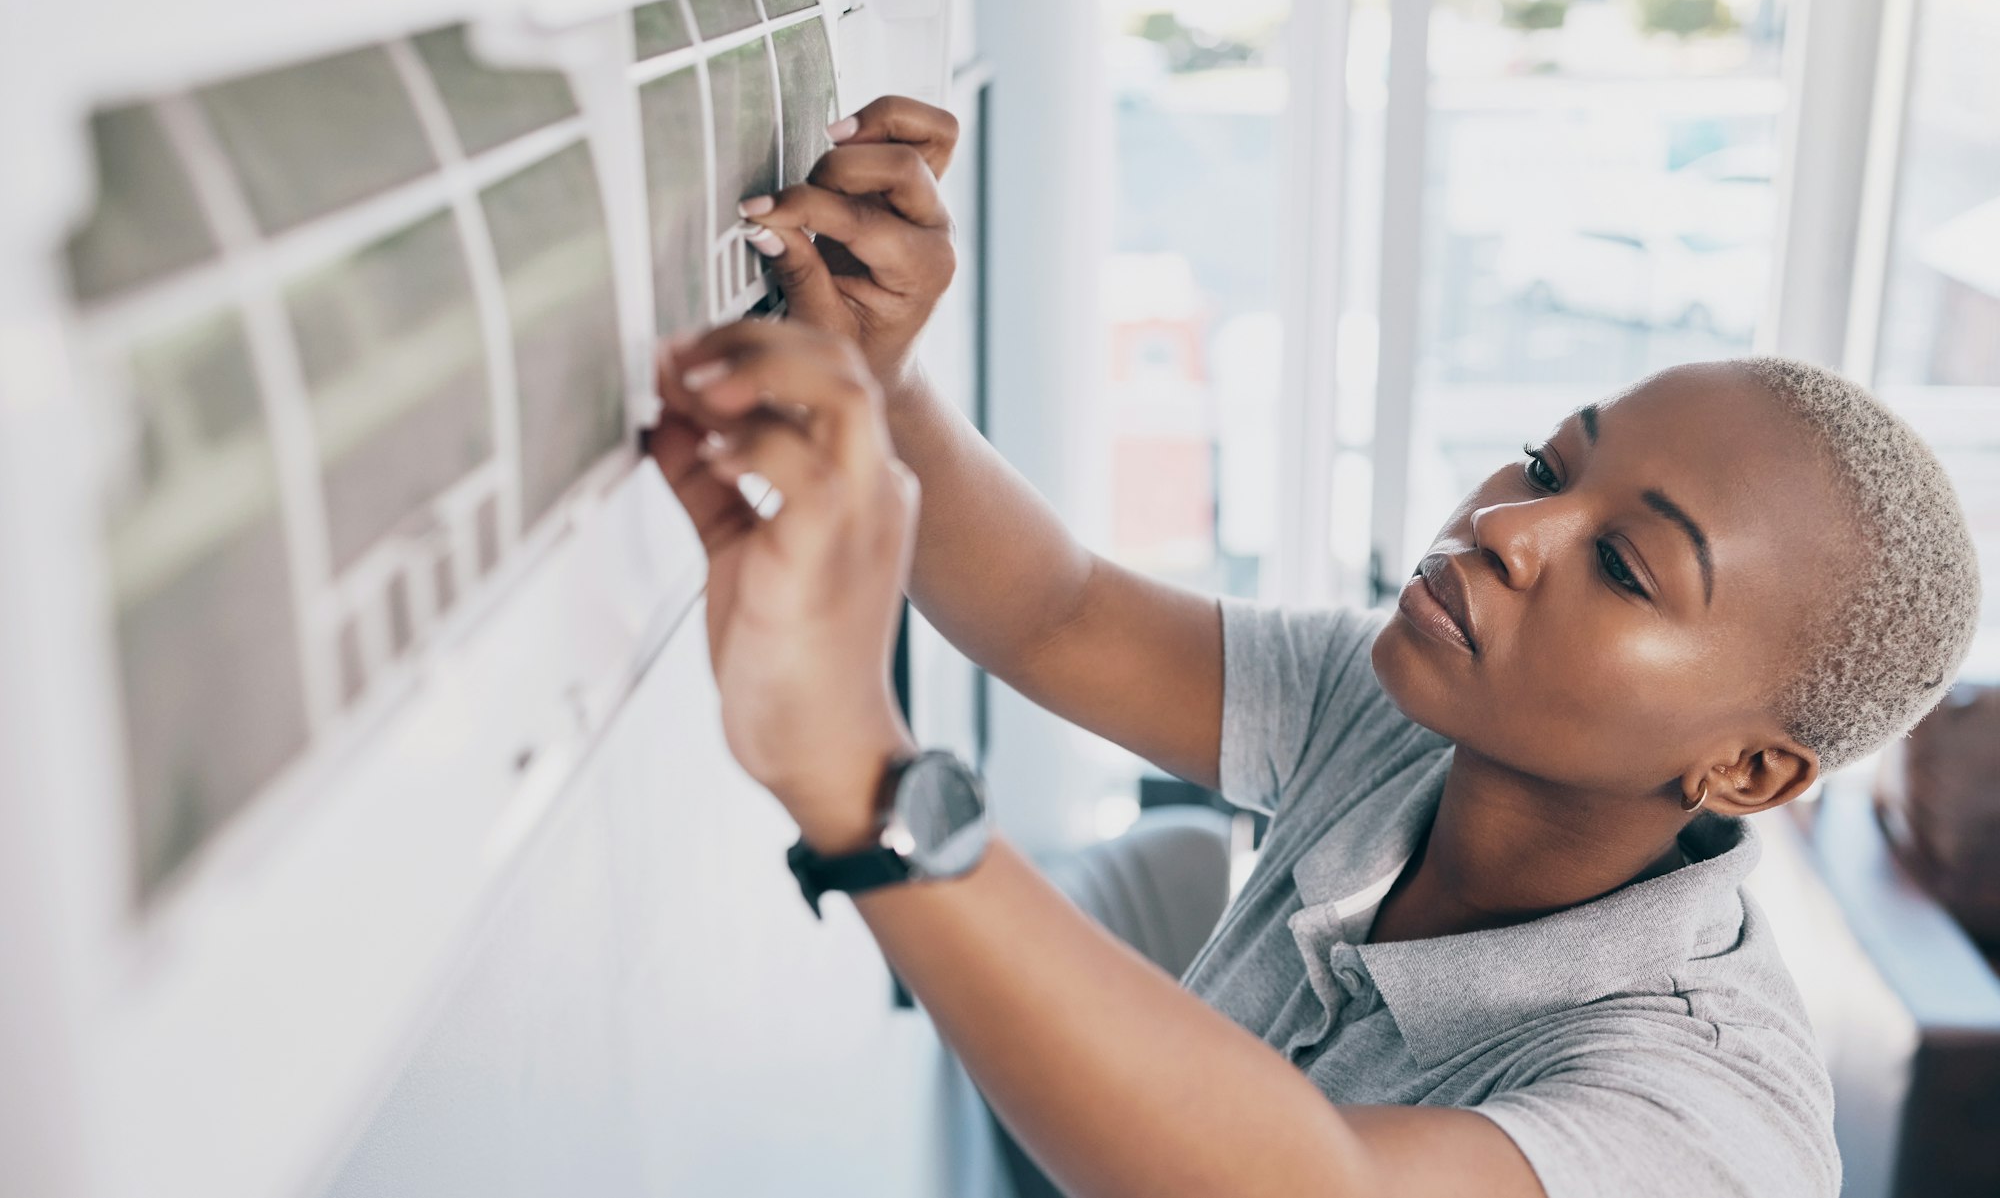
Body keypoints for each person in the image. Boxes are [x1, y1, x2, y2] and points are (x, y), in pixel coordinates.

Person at [648, 97, 1981, 1198]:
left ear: (1749, 767)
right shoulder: (1412, 712)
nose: (1508, 526)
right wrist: (885, 373)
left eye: (1624, 566)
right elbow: (1059, 610)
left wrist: (864, 782)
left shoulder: (1708, 1124)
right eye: (1545, 462)